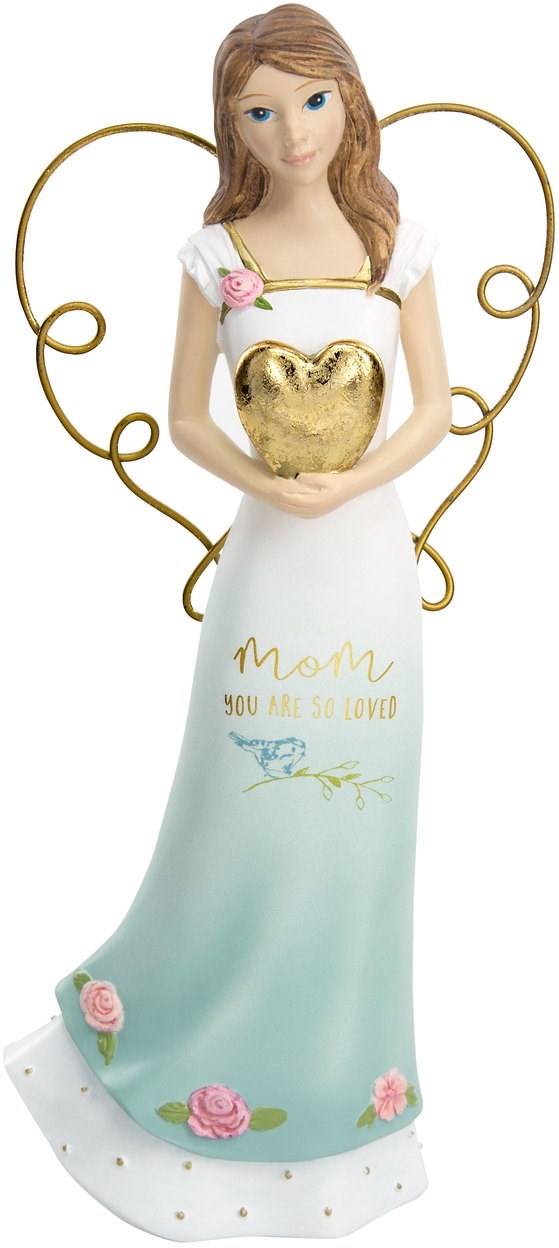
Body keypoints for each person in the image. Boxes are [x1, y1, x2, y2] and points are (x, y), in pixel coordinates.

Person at [4, 3, 453, 1239]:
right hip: (268, 571)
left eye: (312, 100)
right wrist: (270, 485)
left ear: (349, 100)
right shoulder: (216, 257)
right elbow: (187, 417)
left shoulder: (398, 246)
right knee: (240, 809)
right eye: (260, 109)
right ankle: (170, 1035)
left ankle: (342, 1088)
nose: (292, 132)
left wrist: (352, 485)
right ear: (230, 124)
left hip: (368, 573)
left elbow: (435, 406)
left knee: (358, 830)